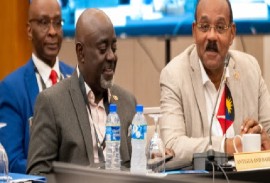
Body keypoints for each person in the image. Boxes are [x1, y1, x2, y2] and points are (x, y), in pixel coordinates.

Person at [26, 8, 137, 175]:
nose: (111, 56)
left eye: (114, 48)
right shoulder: (52, 103)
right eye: (102, 48)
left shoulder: (127, 102)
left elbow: (139, 168)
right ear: (81, 52)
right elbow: (38, 174)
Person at [159, 0, 270, 167]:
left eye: (220, 27)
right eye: (204, 27)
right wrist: (230, 146)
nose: (211, 36)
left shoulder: (250, 69)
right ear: (194, 32)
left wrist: (263, 138)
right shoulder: (174, 75)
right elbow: (172, 146)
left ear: (232, 33)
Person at [0, 0, 74, 173]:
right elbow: (11, 161)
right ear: (29, 30)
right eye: (43, 23)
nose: (52, 32)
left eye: (57, 23)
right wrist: (60, 174)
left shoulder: (76, 79)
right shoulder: (11, 89)